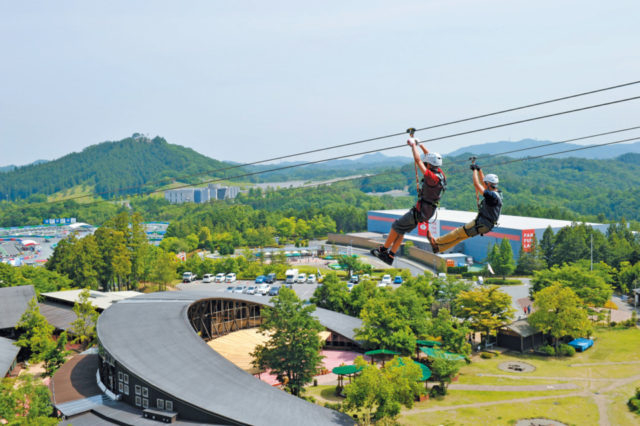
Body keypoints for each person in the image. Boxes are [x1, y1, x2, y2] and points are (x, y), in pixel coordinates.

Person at [371, 136, 446, 265]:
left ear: (429, 165)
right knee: (401, 230)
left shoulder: (431, 176)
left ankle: (383, 249)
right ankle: (390, 256)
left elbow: (418, 160)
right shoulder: (440, 174)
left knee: (396, 226)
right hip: (426, 211)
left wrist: (413, 146)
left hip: (420, 211)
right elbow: (428, 157)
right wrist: (420, 144)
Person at [430, 163, 502, 253]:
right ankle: (439, 248)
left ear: (489, 184)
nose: (483, 184)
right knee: (461, 236)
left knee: (458, 232)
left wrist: (475, 171)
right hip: (486, 225)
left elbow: (477, 184)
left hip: (481, 223)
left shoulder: (491, 195)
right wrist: (479, 170)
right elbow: (483, 182)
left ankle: (436, 242)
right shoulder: (497, 194)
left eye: (485, 183)